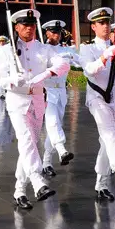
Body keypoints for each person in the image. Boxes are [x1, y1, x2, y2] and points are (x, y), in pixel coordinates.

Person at [0, 9, 70, 210]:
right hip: (17, 100)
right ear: (16, 27)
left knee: (30, 146)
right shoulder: (5, 51)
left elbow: (63, 65)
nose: (28, 28)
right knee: (27, 140)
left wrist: (46, 73)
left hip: (38, 99)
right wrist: (12, 80)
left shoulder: (44, 49)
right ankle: (38, 182)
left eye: (31, 25)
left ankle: (19, 190)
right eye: (24, 25)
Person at [78, 7, 115, 201]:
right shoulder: (87, 48)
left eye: (107, 22)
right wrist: (104, 56)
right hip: (97, 99)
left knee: (106, 142)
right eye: (100, 23)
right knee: (110, 135)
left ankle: (101, 183)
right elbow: (89, 71)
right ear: (93, 26)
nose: (105, 26)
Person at [39, 19, 76, 178]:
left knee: (53, 127)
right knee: (52, 123)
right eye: (53, 32)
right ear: (47, 33)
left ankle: (47, 162)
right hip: (47, 91)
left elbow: (82, 64)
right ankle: (62, 150)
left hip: (61, 92)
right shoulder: (41, 50)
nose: (57, 35)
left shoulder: (65, 50)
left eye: (59, 32)